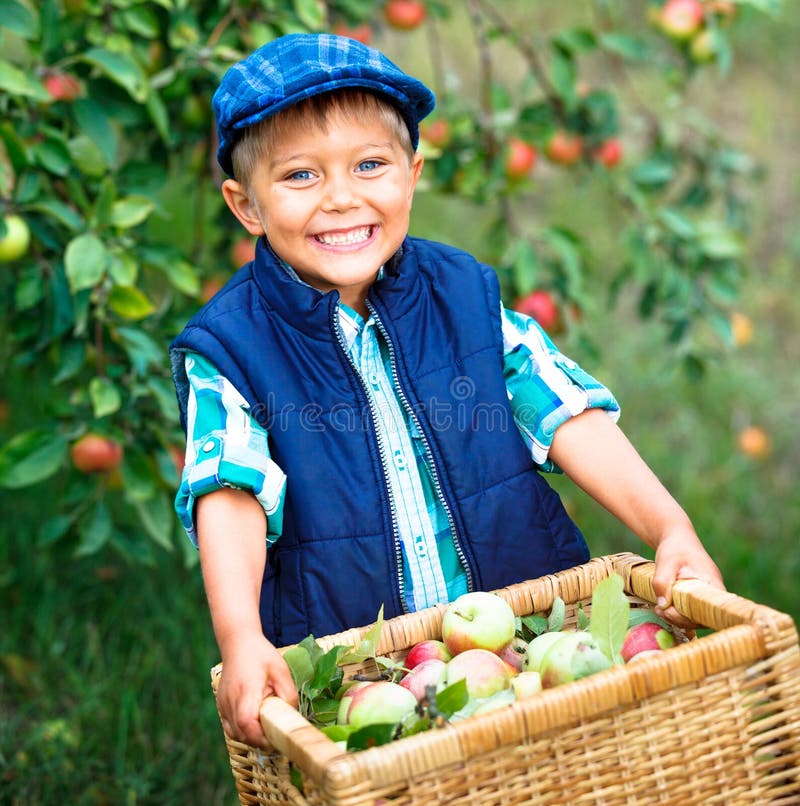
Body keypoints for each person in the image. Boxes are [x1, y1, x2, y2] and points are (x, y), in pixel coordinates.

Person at [169, 32, 724, 747]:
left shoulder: (463, 295)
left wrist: (669, 528)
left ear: (412, 172)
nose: (342, 198)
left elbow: (565, 413)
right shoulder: (232, 347)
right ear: (247, 206)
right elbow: (230, 490)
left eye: (370, 165)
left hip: (520, 649)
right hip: (363, 671)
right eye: (301, 176)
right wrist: (241, 635)